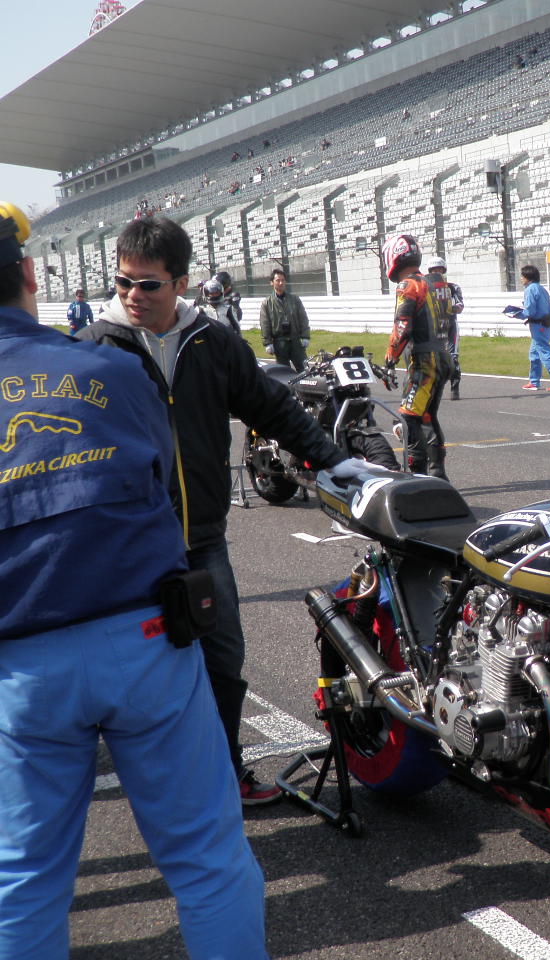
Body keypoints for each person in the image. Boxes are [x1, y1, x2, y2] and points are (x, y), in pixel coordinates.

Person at [0, 203, 268, 957]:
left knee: (24, 881)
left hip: (22, 664)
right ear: (29, 273)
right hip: (144, 636)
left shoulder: (158, 346)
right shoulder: (110, 367)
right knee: (210, 862)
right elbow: (162, 478)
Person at [79, 215, 366, 807]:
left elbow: (272, 408)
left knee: (223, 659)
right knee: (130, 673)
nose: (133, 294)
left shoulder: (214, 341)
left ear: (181, 283)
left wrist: (334, 460)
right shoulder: (92, 348)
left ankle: (227, 770)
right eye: (123, 281)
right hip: (125, 547)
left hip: (203, 539)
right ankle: (158, 788)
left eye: (148, 284)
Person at [383, 235, 452, 478]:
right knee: (427, 416)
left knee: (408, 417)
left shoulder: (408, 285)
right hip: (443, 356)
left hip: (425, 362)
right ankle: (437, 473)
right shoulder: (438, 284)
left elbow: (402, 326)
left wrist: (390, 359)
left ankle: (418, 475)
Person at [508, 264, 550, 391]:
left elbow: (529, 312)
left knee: (545, 352)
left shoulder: (530, 290)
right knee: (534, 354)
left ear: (528, 277)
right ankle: (534, 382)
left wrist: (515, 314)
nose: (521, 278)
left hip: (538, 326)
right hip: (546, 325)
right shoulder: (542, 289)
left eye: (522, 276)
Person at [424, 256, 465, 400]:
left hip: (450, 325)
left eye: (439, 269)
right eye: (434, 270)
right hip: (433, 326)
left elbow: (460, 305)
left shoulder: (453, 287)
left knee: (453, 357)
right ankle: (432, 389)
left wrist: (452, 308)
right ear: (430, 271)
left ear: (444, 270)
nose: (437, 272)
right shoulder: (424, 287)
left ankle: (455, 387)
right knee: (431, 358)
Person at [259, 266, 311, 371]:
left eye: (283, 280)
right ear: (272, 282)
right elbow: (265, 324)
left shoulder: (295, 299)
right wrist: (268, 343)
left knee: (305, 370)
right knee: (283, 372)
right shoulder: (267, 303)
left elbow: (303, 318)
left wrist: (305, 336)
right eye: (278, 280)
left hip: (295, 341)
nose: (281, 283)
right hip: (279, 343)